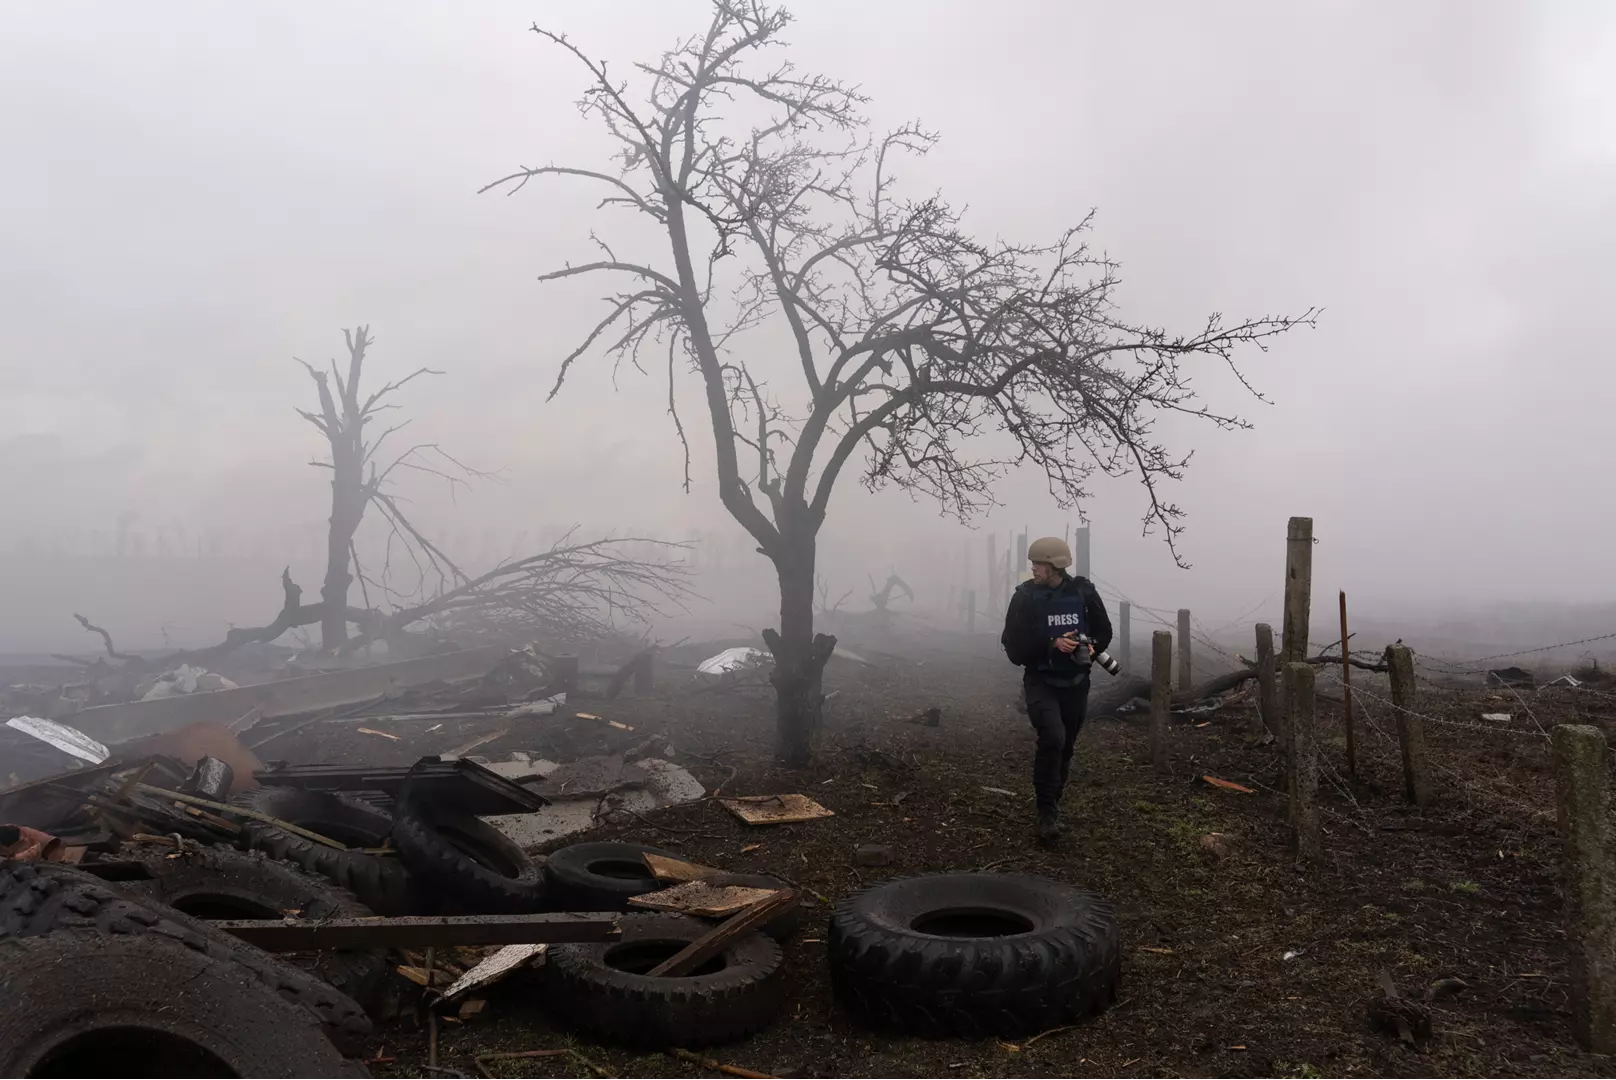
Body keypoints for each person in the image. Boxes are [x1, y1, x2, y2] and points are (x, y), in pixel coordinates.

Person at [1000, 536, 1113, 844]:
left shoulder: (1083, 592)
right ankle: (1046, 811)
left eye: (1038, 564)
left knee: (1066, 746)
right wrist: (1050, 643)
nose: (1033, 568)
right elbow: (1012, 646)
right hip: (1040, 680)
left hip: (1076, 681)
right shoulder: (1024, 597)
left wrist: (1089, 647)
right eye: (1033, 563)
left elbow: (1104, 632)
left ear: (1054, 566)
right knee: (1053, 737)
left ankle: (1054, 801)